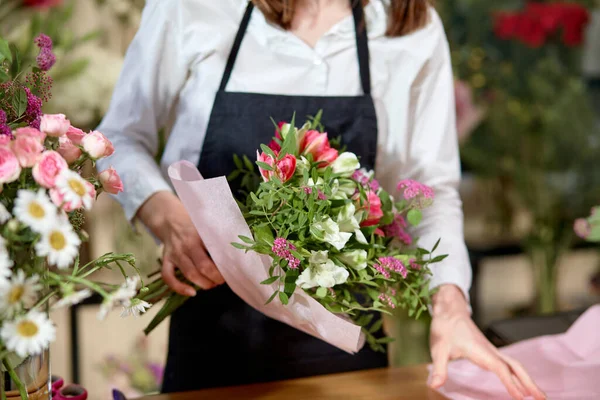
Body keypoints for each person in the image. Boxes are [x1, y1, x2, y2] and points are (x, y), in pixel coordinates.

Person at [97, 1, 545, 399]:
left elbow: (431, 188)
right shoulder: (193, 8)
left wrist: (451, 306)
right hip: (212, 333)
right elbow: (118, 138)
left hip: (345, 339)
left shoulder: (408, 25)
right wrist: (167, 216)